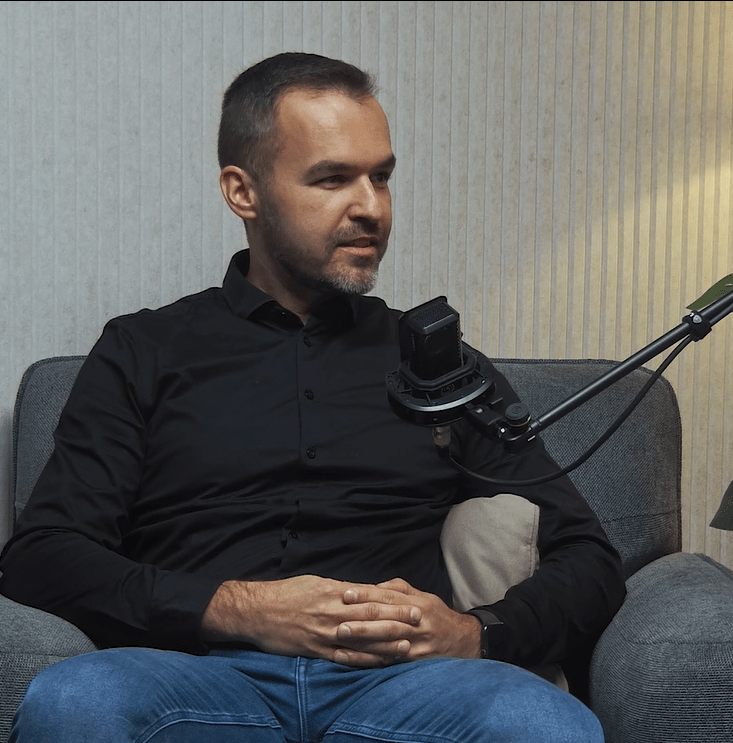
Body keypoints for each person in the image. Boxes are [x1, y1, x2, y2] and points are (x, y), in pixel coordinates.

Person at [0, 52, 624, 742]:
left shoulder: (440, 366)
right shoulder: (142, 349)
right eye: (332, 178)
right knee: (76, 700)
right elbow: (44, 556)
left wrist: (476, 632)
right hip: (195, 673)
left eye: (380, 177)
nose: (371, 207)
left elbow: (589, 559)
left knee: (542, 722)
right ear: (243, 192)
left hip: (407, 685)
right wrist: (238, 608)